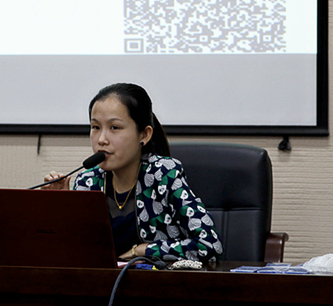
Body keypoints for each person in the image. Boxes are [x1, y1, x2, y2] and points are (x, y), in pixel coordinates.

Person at [43, 83, 223, 263]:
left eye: (114, 127)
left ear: (144, 135)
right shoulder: (88, 181)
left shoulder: (163, 175)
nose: (102, 139)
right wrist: (60, 210)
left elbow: (209, 245)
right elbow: (74, 252)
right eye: (96, 127)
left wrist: (142, 250)